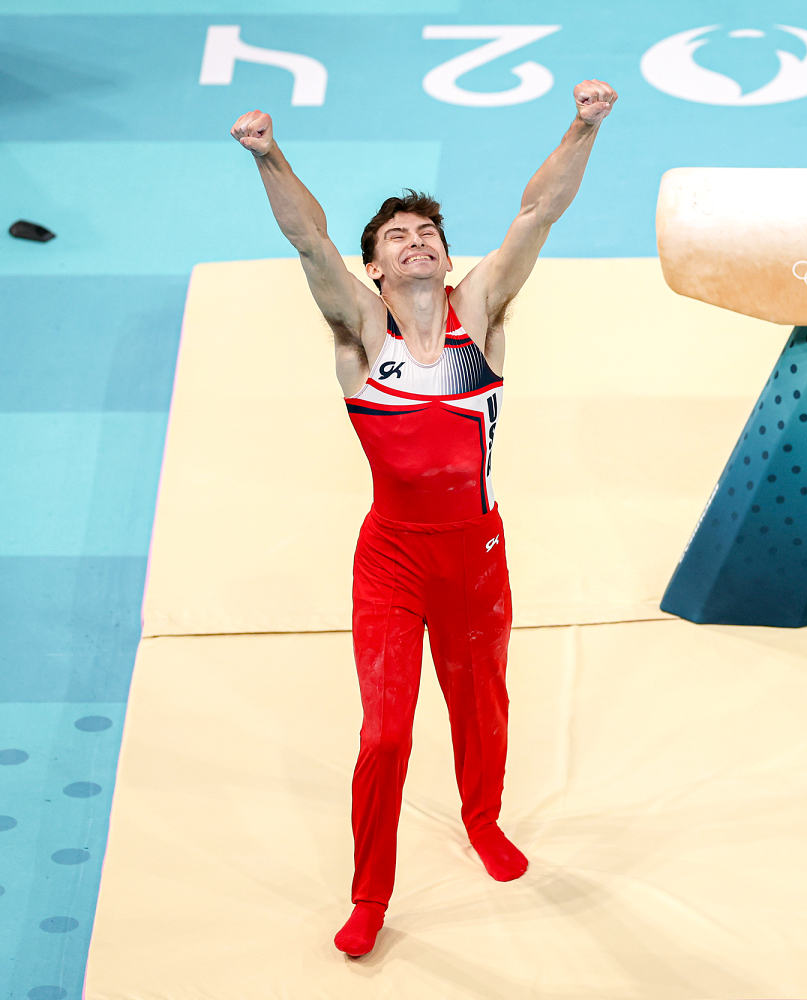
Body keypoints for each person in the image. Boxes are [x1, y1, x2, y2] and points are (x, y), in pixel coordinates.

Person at [230, 80, 617, 958]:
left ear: (446, 257)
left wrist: (585, 126)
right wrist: (268, 154)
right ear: (374, 266)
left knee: (482, 709)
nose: (416, 242)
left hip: (478, 556)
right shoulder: (363, 334)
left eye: (428, 234)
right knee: (386, 731)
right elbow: (306, 237)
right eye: (397, 237)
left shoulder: (480, 313)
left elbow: (536, 213)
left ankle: (483, 819)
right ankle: (371, 893)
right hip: (395, 562)